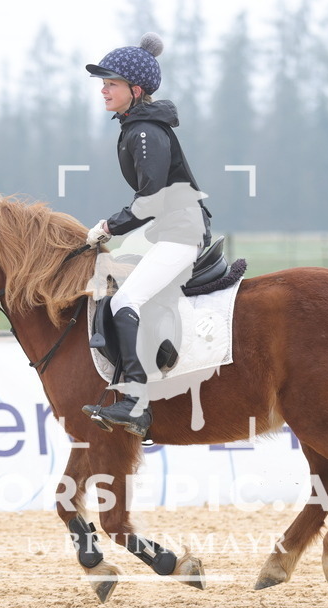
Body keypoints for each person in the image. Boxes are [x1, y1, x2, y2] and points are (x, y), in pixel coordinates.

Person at [81, 32, 212, 438]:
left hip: (180, 232)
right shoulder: (137, 126)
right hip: (168, 231)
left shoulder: (143, 132)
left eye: (111, 84)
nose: (103, 90)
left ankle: (136, 404)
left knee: (125, 301)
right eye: (103, 83)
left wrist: (108, 226)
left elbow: (151, 199)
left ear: (135, 90)